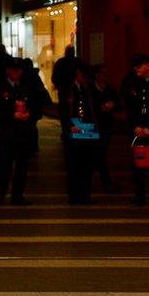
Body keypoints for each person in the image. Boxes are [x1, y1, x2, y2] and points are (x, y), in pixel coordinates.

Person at [0, 58, 42, 205]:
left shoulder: (26, 88)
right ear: (8, 71)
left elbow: (36, 107)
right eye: (14, 70)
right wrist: (12, 115)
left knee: (22, 167)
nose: (16, 73)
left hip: (23, 134)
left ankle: (17, 195)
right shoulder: (1, 88)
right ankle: (0, 196)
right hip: (7, 134)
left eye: (19, 70)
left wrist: (29, 116)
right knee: (4, 167)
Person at [121, 54, 149, 206]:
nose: (136, 70)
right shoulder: (133, 83)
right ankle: (139, 195)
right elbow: (130, 107)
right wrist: (135, 126)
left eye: (139, 66)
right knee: (138, 164)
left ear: (147, 66)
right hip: (138, 130)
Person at [59, 62, 96, 204]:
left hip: (87, 129)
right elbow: (63, 111)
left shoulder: (86, 89)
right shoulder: (68, 89)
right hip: (74, 131)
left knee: (86, 165)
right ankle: (74, 195)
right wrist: (69, 126)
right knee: (74, 165)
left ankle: (85, 194)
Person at [89, 64, 120, 192]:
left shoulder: (110, 89)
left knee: (99, 154)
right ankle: (106, 182)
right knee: (96, 154)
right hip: (92, 126)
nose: (105, 76)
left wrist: (112, 105)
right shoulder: (90, 89)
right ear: (96, 75)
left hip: (106, 126)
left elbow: (119, 105)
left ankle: (91, 181)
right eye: (102, 73)